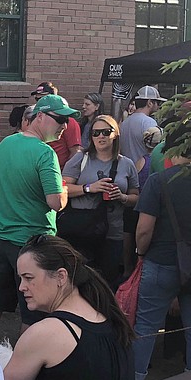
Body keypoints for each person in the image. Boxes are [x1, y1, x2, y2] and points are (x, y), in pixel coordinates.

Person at [0, 94, 76, 346]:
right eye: (59, 119)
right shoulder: (45, 153)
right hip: (34, 244)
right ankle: (25, 375)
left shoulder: (6, 144)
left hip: (1, 238)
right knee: (34, 313)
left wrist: (5, 216)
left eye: (67, 121)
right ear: (39, 117)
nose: (64, 126)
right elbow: (55, 202)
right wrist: (63, 191)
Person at [3, 236, 134, 380]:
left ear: (61, 277)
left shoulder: (44, 334)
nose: (22, 287)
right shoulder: (110, 316)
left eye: (28, 278)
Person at [132, 122, 191, 380]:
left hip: (161, 260)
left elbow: (144, 230)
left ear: (171, 148)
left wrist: (139, 253)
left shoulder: (159, 181)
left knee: (145, 327)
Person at [60, 115, 139, 285]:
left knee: (107, 281)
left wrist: (122, 197)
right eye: (96, 133)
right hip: (82, 230)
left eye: (105, 132)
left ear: (115, 134)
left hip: (112, 231)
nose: (100, 136)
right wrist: (89, 188)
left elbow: (136, 198)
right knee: (78, 280)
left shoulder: (127, 164)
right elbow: (62, 189)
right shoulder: (81, 159)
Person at [119, 85, 165, 164]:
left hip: (127, 170)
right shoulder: (149, 122)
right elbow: (155, 150)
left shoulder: (124, 123)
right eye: (157, 102)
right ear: (149, 103)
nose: (158, 106)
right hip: (143, 170)